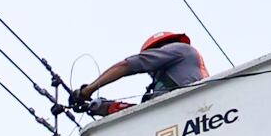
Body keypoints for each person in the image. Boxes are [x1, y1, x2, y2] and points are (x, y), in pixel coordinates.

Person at [72, 31, 208, 113]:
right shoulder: (167, 85)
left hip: (191, 108)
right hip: (187, 115)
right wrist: (108, 108)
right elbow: (147, 114)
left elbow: (125, 65)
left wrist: (87, 90)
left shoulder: (180, 49)